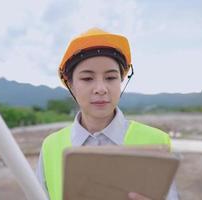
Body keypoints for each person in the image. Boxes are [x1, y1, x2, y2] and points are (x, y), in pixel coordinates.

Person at [36, 28, 179, 200]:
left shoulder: (157, 141)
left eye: (110, 78)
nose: (101, 89)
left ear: (121, 81)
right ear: (70, 85)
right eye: (87, 78)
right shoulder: (50, 146)